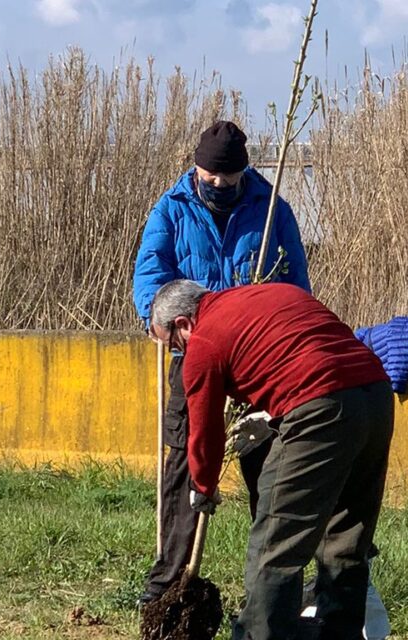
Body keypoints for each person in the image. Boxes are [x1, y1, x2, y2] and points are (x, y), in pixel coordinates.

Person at [148, 280, 394, 640]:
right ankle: (338, 633)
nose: (178, 352)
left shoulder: (203, 341)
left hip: (319, 408)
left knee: (275, 545)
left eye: (173, 345)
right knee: (345, 539)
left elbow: (204, 429)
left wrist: (202, 485)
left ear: (183, 324)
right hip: (376, 398)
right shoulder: (266, 294)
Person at [132, 120, 311, 607]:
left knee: (269, 467)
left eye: (227, 180)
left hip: (257, 360)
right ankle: (169, 583)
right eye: (209, 176)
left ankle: (272, 590)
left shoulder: (273, 210)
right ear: (196, 167)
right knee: (186, 464)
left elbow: (295, 283)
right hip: (194, 353)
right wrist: (159, 317)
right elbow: (150, 275)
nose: (217, 185)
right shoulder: (170, 210)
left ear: (243, 174)